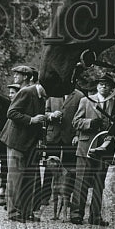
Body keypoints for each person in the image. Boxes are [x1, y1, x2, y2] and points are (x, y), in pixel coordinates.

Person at [0, 65, 49, 222]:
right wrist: (31, 120)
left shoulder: (41, 96)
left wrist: (41, 139)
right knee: (16, 178)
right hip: (16, 141)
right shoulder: (26, 92)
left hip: (29, 142)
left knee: (29, 178)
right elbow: (11, 113)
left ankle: (26, 212)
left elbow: (39, 119)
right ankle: (13, 212)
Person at [71, 74, 115, 225]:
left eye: (107, 84)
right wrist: (90, 123)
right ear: (97, 86)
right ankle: (76, 214)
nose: (104, 86)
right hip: (86, 146)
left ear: (111, 88)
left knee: (99, 183)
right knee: (81, 181)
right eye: (101, 84)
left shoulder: (114, 103)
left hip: (104, 148)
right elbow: (75, 122)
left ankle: (95, 216)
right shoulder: (86, 101)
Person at [40, 82, 84, 211]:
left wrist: (77, 135)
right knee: (50, 167)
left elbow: (81, 116)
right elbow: (44, 111)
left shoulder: (79, 96)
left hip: (70, 136)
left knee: (69, 169)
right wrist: (51, 115)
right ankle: (45, 196)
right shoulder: (53, 94)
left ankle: (66, 197)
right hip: (53, 135)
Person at [0, 83, 18, 205]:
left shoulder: (8, 104)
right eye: (10, 93)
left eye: (13, 92)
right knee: (4, 161)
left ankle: (9, 191)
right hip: (0, 134)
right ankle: (3, 187)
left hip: (11, 135)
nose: (10, 95)